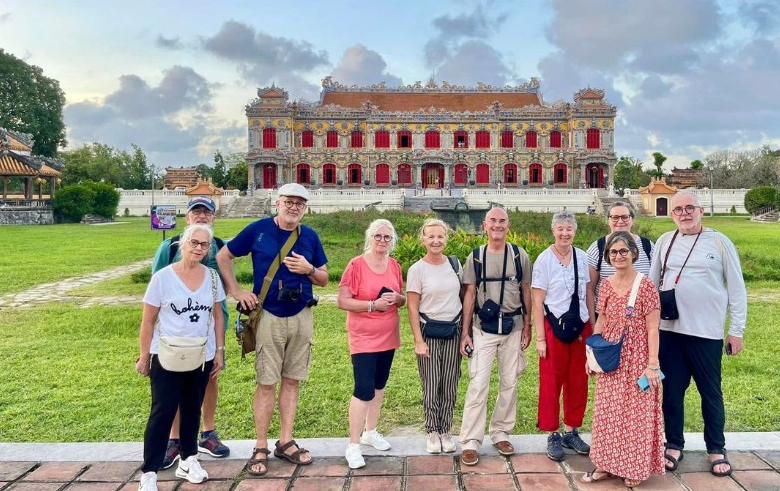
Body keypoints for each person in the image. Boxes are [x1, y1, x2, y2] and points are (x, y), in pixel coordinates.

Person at [216, 183, 328, 476]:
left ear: (305, 208)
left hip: (302, 314)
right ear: (277, 203)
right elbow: (223, 256)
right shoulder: (259, 230)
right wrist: (237, 291)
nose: (294, 207)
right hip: (268, 314)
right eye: (289, 202)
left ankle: (286, 441)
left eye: (299, 204)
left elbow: (324, 278)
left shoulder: (309, 236)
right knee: (266, 382)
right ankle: (261, 445)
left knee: (292, 380)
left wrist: (308, 269)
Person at [649, 190, 747, 477]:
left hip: (707, 333)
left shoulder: (719, 241)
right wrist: (647, 328)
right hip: (670, 331)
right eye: (678, 209)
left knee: (710, 392)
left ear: (701, 211)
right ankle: (673, 444)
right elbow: (652, 285)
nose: (685, 214)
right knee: (672, 392)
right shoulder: (665, 241)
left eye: (690, 208)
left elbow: (737, 288)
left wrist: (736, 331)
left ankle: (716, 448)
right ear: (672, 214)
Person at [136, 224, 226, 491]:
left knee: (192, 409)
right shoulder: (162, 278)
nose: (198, 248)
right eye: (194, 242)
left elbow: (218, 315)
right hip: (166, 354)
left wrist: (219, 350)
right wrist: (144, 356)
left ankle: (189, 459)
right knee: (162, 412)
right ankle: (149, 471)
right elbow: (147, 320)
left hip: (201, 353)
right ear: (182, 244)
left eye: (204, 245)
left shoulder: (212, 277)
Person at [150, 196, 230, 469]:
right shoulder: (170, 247)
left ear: (213, 218)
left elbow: (227, 284)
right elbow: (156, 287)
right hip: (175, 328)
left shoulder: (219, 247)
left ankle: (207, 432)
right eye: (196, 212)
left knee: (210, 377)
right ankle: (174, 439)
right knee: (174, 381)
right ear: (187, 217)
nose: (202, 216)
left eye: (207, 213)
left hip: (209, 326)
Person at [582, 232, 664, 487]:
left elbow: (653, 327)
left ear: (633, 254)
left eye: (623, 251)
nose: (618, 256)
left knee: (636, 414)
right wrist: (592, 354)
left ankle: (634, 467)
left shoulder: (646, 286)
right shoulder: (606, 285)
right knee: (608, 413)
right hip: (611, 357)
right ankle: (605, 464)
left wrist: (652, 365)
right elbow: (602, 320)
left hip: (638, 357)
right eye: (613, 252)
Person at [459, 207, 532, 466]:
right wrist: (465, 332)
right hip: (483, 328)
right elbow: (469, 294)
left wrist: (528, 325)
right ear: (485, 225)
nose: (497, 225)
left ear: (508, 225)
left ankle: (501, 432)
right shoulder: (476, 257)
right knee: (478, 383)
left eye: (502, 221)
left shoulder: (519, 255)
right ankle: (470, 440)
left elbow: (526, 290)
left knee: (509, 383)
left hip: (513, 326)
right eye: (493, 221)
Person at [337, 219, 406, 469]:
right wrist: (372, 305)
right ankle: (353, 445)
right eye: (378, 236)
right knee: (363, 389)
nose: (382, 241)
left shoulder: (394, 265)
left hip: (388, 335)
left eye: (387, 237)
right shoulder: (356, 265)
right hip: (363, 337)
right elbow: (342, 301)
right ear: (370, 237)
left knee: (379, 385)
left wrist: (398, 298)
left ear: (392, 240)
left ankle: (370, 431)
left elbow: (402, 299)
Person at [532, 210, 593, 461]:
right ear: (553, 231)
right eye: (560, 229)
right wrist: (540, 338)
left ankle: (571, 430)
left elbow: (588, 293)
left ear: (574, 231)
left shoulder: (582, 257)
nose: (564, 233)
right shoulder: (544, 260)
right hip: (553, 326)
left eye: (569, 229)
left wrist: (593, 326)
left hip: (580, 326)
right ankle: (553, 433)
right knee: (551, 380)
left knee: (578, 380)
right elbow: (537, 302)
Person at [406, 218, 463, 454]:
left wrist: (466, 333)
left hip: (453, 330)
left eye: (440, 236)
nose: (436, 241)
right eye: (431, 236)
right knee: (431, 383)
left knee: (449, 383)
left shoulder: (455, 265)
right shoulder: (417, 269)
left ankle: (445, 429)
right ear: (423, 240)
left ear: (446, 239)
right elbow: (412, 307)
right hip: (428, 331)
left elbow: (464, 297)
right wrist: (418, 341)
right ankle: (432, 430)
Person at [586, 201, 654, 325]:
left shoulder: (647, 246)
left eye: (625, 217)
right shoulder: (598, 247)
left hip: (641, 319)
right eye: (615, 217)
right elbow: (589, 289)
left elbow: (654, 284)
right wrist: (592, 324)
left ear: (632, 219)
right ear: (608, 220)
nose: (620, 221)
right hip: (606, 319)